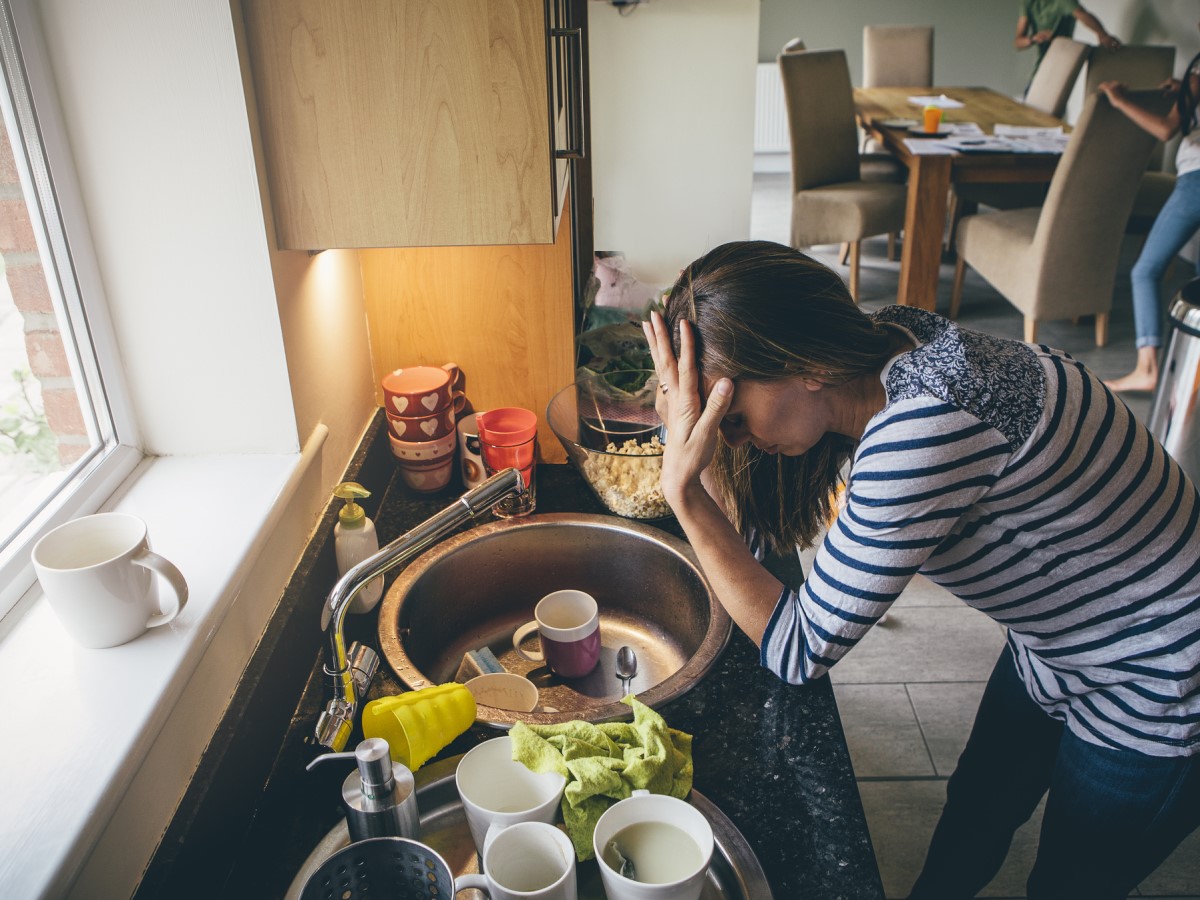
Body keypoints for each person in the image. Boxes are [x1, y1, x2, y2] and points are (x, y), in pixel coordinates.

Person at [642, 240, 1200, 900]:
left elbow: (796, 648)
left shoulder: (923, 426)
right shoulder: (890, 340)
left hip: (1161, 673)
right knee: (977, 808)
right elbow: (759, 543)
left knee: (1071, 882)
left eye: (729, 418)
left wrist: (685, 491)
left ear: (807, 364)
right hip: (1061, 641)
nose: (726, 439)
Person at [1099, 44, 1200, 393]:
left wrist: (1118, 99)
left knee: (1146, 270)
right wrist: (1186, 90)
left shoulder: (1198, 77)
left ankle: (1147, 369)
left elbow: (1165, 130)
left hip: (1196, 179)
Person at [1016, 0, 1120, 75]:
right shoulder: (1027, 3)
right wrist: (1033, 39)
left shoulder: (1064, 2)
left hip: (1061, 63)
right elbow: (1018, 42)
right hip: (1041, 66)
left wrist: (1103, 35)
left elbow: (1082, 14)